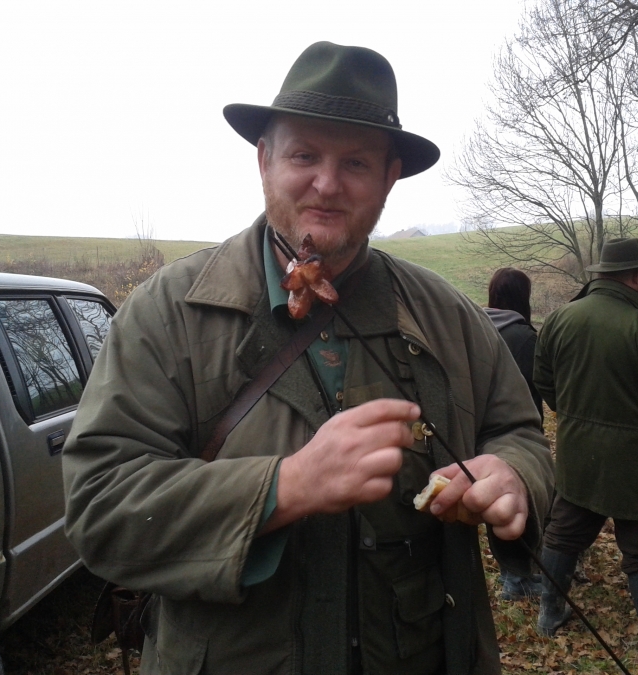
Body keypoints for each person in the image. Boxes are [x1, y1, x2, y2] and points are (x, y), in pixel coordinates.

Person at [62, 42, 554, 675]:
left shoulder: (448, 316)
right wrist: (286, 486)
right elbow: (100, 505)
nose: (327, 183)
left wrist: (514, 476)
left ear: (389, 178)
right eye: (304, 156)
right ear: (264, 160)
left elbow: (519, 433)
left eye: (356, 162)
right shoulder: (168, 313)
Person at [532, 238, 638, 663]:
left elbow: (543, 378)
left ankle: (549, 614)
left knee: (563, 533)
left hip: (578, 454)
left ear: (601, 274)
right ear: (636, 277)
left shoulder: (559, 318)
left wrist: (574, 416)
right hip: (637, 462)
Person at [484, 268, 545, 602]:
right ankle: (517, 578)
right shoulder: (523, 337)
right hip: (519, 430)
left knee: (495, 500)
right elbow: (541, 383)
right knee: (519, 498)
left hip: (482, 428)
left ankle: (512, 573)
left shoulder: (476, 327)